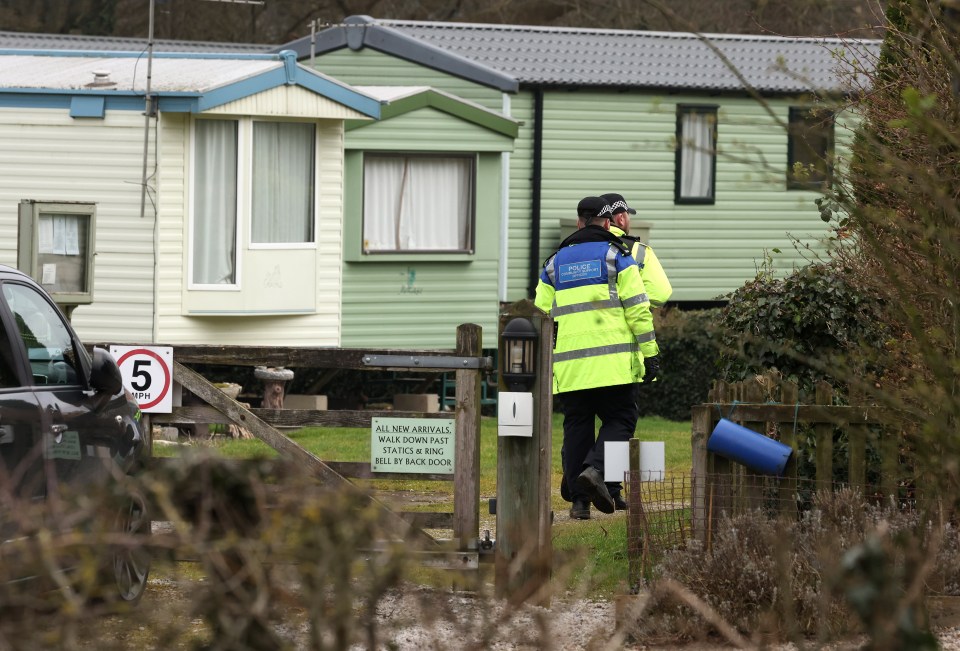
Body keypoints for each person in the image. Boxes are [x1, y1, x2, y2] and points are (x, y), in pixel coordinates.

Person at [534, 196, 660, 519]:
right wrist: (651, 355)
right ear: (608, 223)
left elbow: (539, 315)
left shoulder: (553, 264)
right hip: (613, 367)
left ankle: (579, 504)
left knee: (577, 426)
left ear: (579, 222)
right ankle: (597, 470)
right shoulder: (618, 257)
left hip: (571, 368)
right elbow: (638, 312)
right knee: (621, 420)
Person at [599, 192, 672, 507]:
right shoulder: (637, 251)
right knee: (620, 420)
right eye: (627, 214)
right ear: (619, 218)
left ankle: (579, 493)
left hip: (580, 355)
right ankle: (611, 489)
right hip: (623, 352)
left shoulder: (577, 249)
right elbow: (662, 293)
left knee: (581, 422)